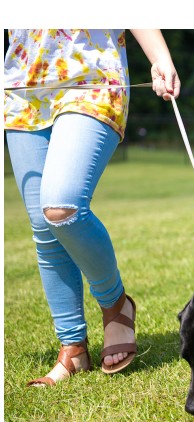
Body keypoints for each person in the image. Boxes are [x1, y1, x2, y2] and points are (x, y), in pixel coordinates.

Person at [4, 29, 181, 386]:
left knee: (61, 206)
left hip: (93, 78)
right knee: (44, 226)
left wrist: (160, 57)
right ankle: (73, 348)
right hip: (22, 86)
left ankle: (116, 305)